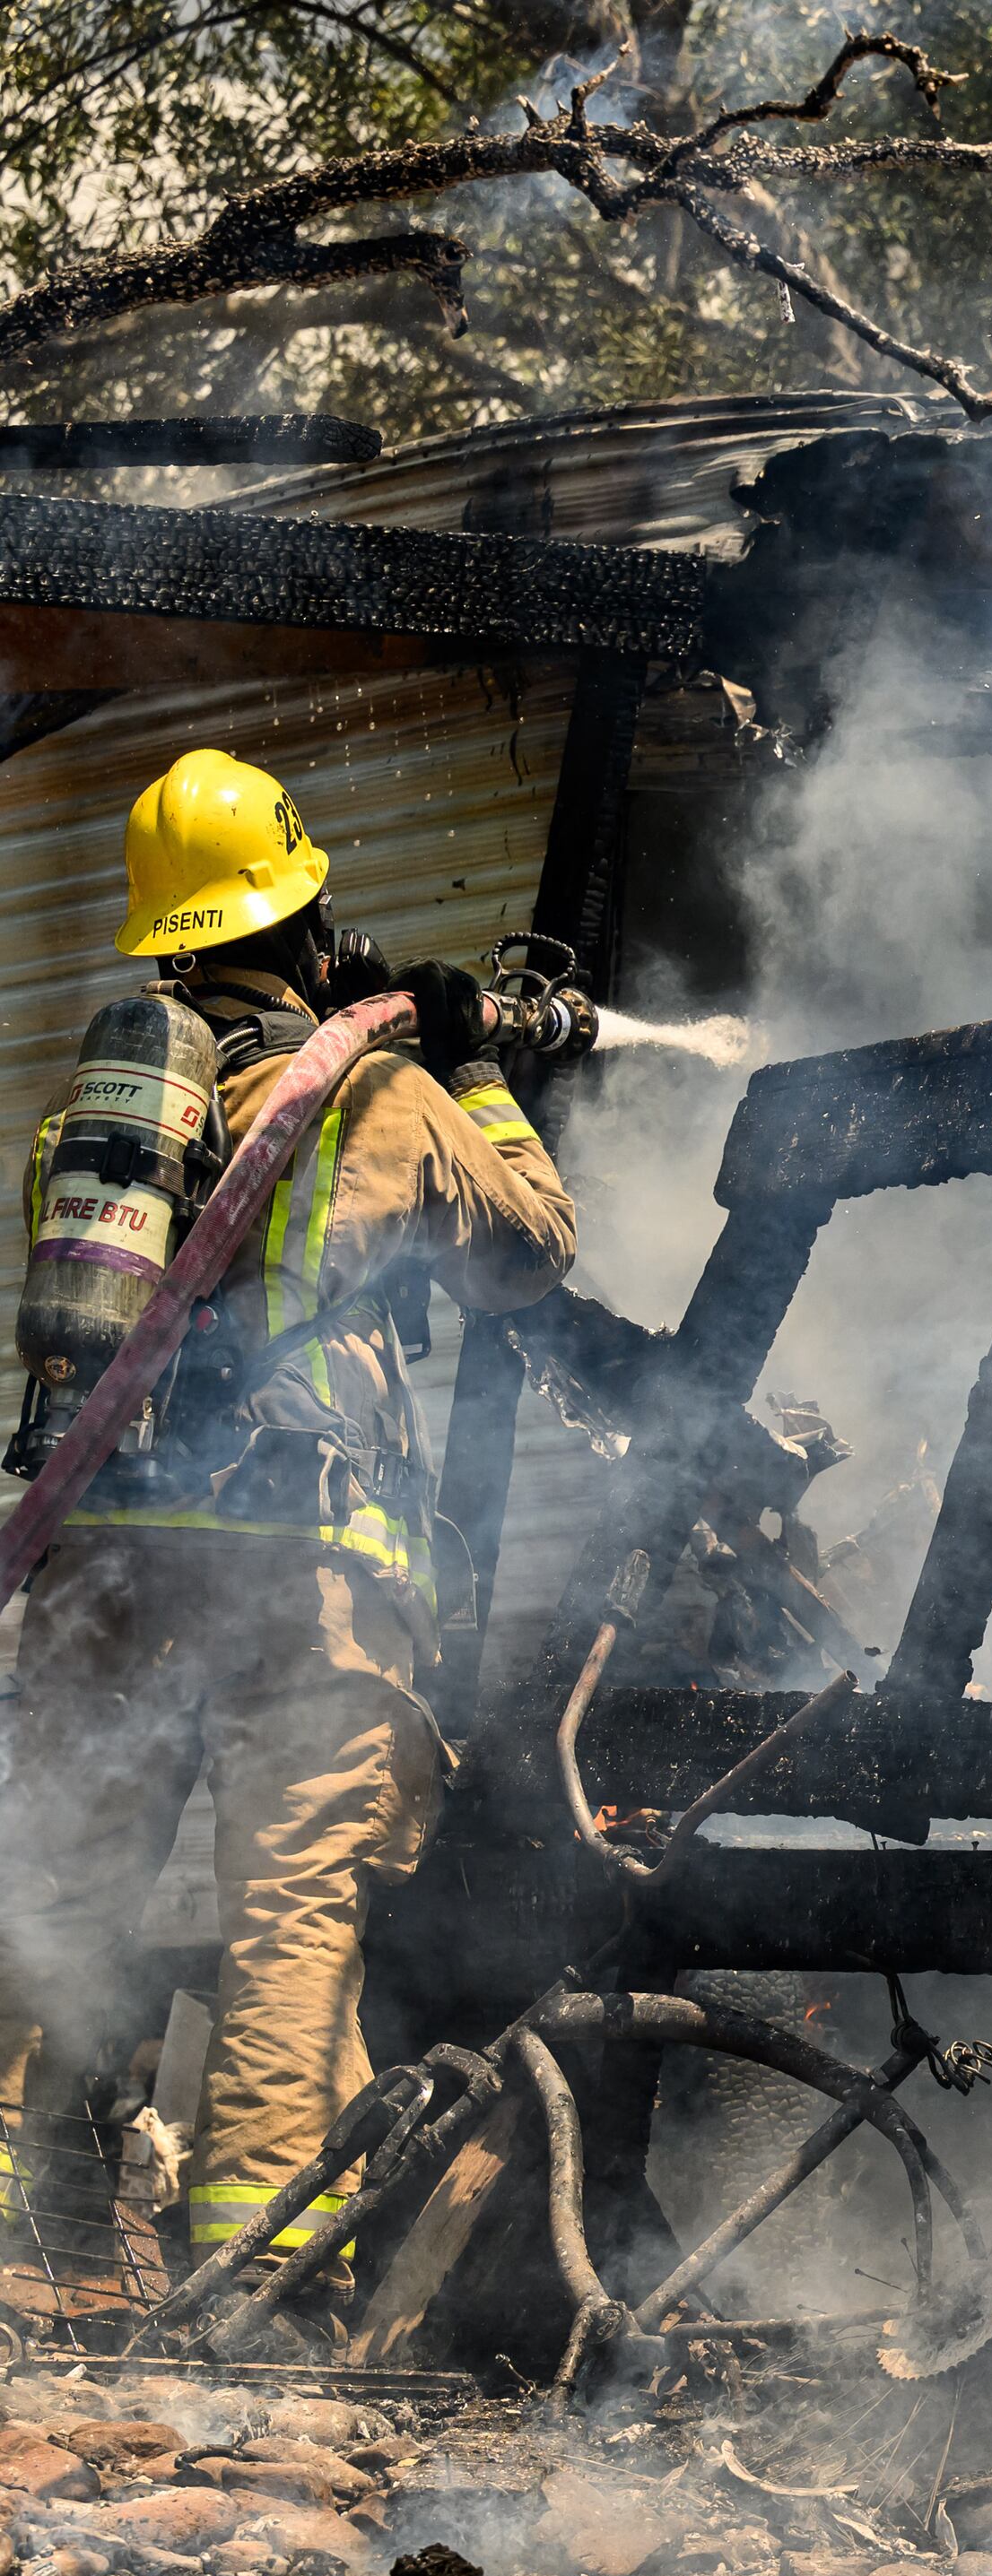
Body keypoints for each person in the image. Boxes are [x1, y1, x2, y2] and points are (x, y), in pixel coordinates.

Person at [0, 750, 577, 2306]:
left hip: (101, 1568)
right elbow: (533, 1250)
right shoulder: (380, 1096)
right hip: (304, 1577)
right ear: (309, 922)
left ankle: (17, 2270)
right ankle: (255, 2300)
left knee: (54, 1903)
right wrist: (472, 1066)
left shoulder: (95, 1122)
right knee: (287, 1932)